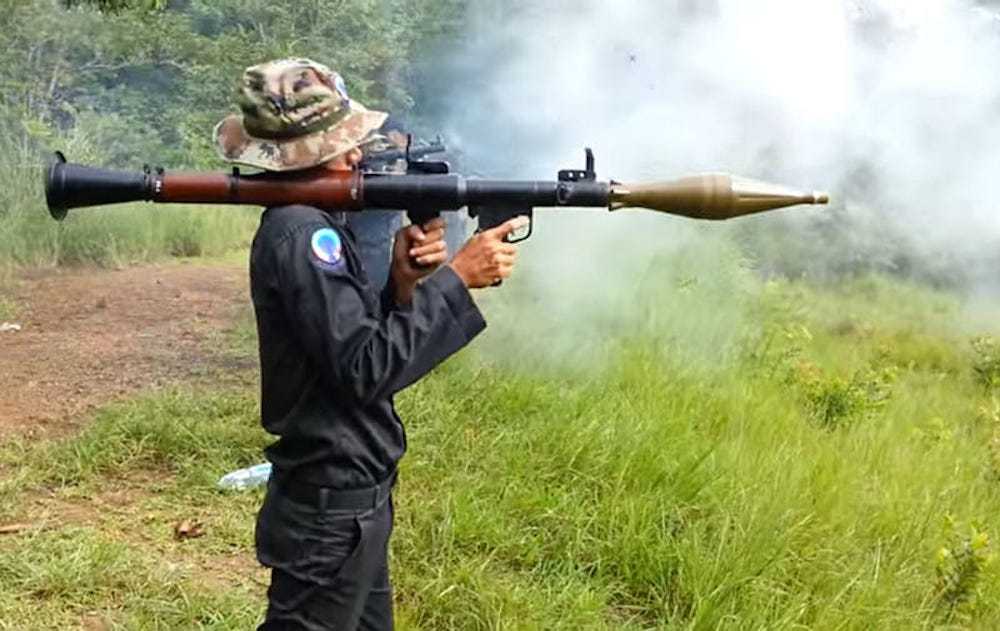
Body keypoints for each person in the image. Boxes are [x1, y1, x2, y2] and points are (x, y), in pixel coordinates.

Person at [213, 58, 523, 630]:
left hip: (353, 495)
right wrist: (458, 277)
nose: (357, 155)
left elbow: (345, 347)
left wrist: (402, 284)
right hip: (328, 510)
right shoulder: (305, 234)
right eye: (340, 144)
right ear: (302, 156)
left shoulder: (316, 225)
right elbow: (366, 369)